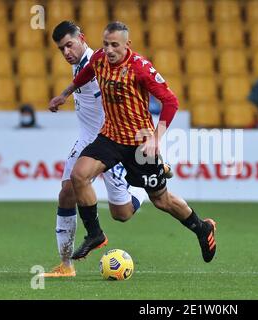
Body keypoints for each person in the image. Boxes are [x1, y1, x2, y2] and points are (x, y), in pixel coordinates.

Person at [49, 21, 217, 263]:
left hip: (139, 142)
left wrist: (156, 139)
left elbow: (171, 102)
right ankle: (95, 234)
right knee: (79, 176)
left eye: (114, 45)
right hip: (110, 136)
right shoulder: (99, 59)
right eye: (105, 44)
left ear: (127, 45)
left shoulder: (140, 68)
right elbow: (86, 74)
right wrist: (64, 94)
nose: (108, 49)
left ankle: (202, 228)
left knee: (161, 200)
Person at [41, 21, 150, 278]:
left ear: (82, 38)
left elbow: (131, 90)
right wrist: (64, 95)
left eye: (69, 45)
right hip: (86, 139)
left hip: (109, 142)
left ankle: (142, 183)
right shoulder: (80, 66)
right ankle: (66, 266)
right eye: (61, 49)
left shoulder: (101, 62)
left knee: (122, 214)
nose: (66, 52)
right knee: (66, 193)